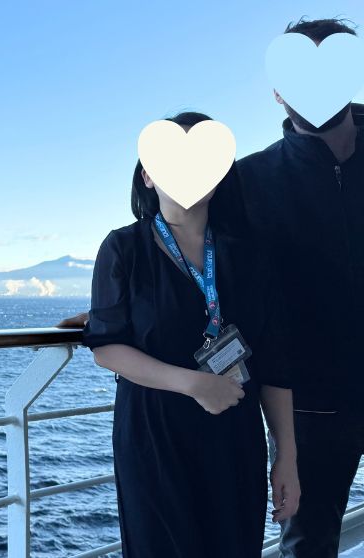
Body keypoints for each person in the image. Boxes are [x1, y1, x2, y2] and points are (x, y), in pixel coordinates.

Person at [61, 17, 364, 557]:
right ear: (277, 91)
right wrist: (109, 313)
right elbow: (196, 272)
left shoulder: (238, 200)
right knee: (310, 544)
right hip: (313, 404)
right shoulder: (250, 180)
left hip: (255, 412)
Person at [83, 111, 299, 557]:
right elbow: (107, 347)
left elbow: (275, 365)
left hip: (234, 437)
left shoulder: (252, 256)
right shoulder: (123, 248)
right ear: (147, 176)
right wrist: (194, 384)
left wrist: (287, 458)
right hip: (154, 439)